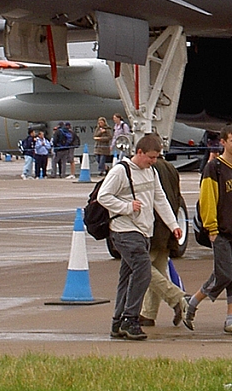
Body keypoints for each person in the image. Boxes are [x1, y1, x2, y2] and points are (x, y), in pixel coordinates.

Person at [97, 134, 182, 341]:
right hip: (124, 231)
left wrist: (173, 225)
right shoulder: (121, 171)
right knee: (143, 270)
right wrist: (127, 207)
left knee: (127, 277)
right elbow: (103, 196)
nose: (154, 161)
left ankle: (118, 322)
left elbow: (159, 199)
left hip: (144, 232)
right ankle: (130, 319)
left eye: (157, 157)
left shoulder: (151, 172)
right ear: (139, 152)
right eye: (151, 157)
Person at [183, 126, 232, 335]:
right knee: (224, 273)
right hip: (221, 231)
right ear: (222, 142)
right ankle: (192, 302)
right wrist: (211, 228)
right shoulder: (213, 168)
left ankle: (231, 320)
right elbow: (207, 199)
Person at [139, 154, 188, 328]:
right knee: (158, 269)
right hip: (169, 225)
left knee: (141, 268)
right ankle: (148, 314)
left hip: (153, 227)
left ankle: (177, 298)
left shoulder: (148, 170)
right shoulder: (171, 169)